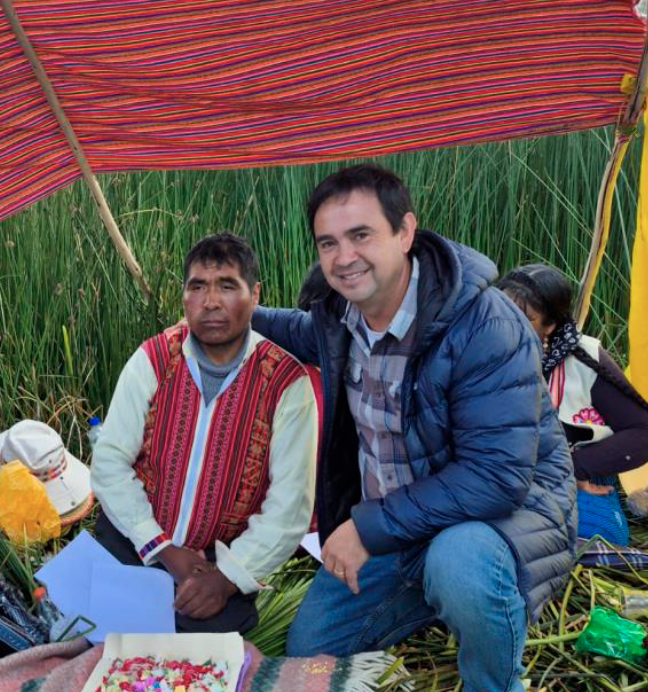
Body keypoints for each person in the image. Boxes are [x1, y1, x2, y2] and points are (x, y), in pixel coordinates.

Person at [250, 165, 575, 692]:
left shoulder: (485, 325)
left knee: (460, 564)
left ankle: (494, 679)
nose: (344, 257)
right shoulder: (340, 317)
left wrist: (366, 528)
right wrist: (233, 309)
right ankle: (431, 595)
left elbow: (497, 478)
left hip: (496, 519)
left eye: (361, 235)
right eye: (328, 243)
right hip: (401, 527)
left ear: (405, 232)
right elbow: (296, 330)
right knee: (312, 650)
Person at [91, 233, 321, 633]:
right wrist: (163, 548)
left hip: (218, 564)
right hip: (135, 541)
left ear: (255, 295)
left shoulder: (286, 383)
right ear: (184, 296)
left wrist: (226, 578)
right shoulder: (154, 358)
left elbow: (289, 508)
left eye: (227, 286)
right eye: (198, 287)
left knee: (199, 649)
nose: (211, 302)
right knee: (95, 634)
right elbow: (110, 462)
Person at [498, 264, 648, 545]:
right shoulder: (476, 350)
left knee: (595, 538)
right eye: (502, 312)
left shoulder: (583, 359)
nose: (508, 325)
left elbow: (642, 432)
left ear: (550, 325)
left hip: (570, 475)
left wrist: (575, 467)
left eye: (525, 318)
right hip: (496, 477)